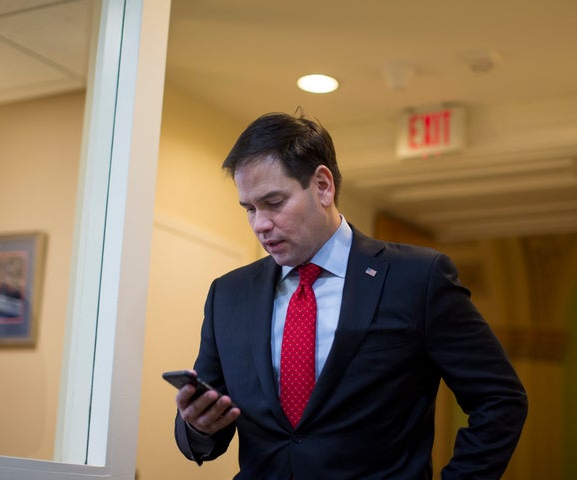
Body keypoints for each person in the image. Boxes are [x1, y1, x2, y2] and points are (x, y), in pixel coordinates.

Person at [173, 112, 527, 479]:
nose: (260, 224)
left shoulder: (417, 279)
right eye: (249, 208)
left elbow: (500, 400)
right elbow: (206, 433)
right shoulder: (227, 295)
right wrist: (198, 426)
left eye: (274, 203)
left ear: (323, 185)